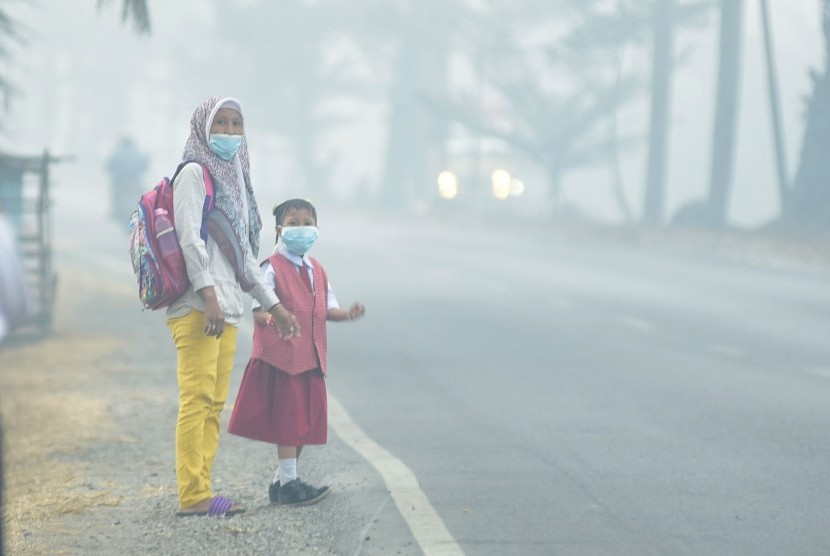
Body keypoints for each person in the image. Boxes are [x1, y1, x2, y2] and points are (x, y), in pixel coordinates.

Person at [166, 96, 302, 518]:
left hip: (225, 307)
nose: (228, 132)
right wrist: (207, 295)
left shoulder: (234, 180)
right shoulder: (193, 174)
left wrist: (274, 306)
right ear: (203, 129)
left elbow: (243, 253)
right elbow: (189, 238)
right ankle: (193, 496)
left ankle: (202, 489)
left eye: (235, 124)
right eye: (220, 123)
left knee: (212, 404)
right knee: (197, 399)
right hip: (198, 305)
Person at [227, 198, 365, 506]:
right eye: (293, 223)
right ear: (279, 230)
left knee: (303, 423)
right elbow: (259, 309)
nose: (300, 229)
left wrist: (348, 314)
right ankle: (290, 484)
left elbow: (328, 309)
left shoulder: (317, 270)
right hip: (283, 360)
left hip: (310, 360)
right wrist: (275, 318)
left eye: (307, 222)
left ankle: (281, 482)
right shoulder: (271, 267)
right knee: (289, 421)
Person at [106, 136, 149, 222]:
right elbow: (144, 166)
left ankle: (114, 210)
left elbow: (109, 164)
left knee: (116, 193)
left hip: (120, 180)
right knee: (141, 194)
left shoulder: (118, 152)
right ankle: (145, 210)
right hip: (134, 179)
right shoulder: (136, 153)